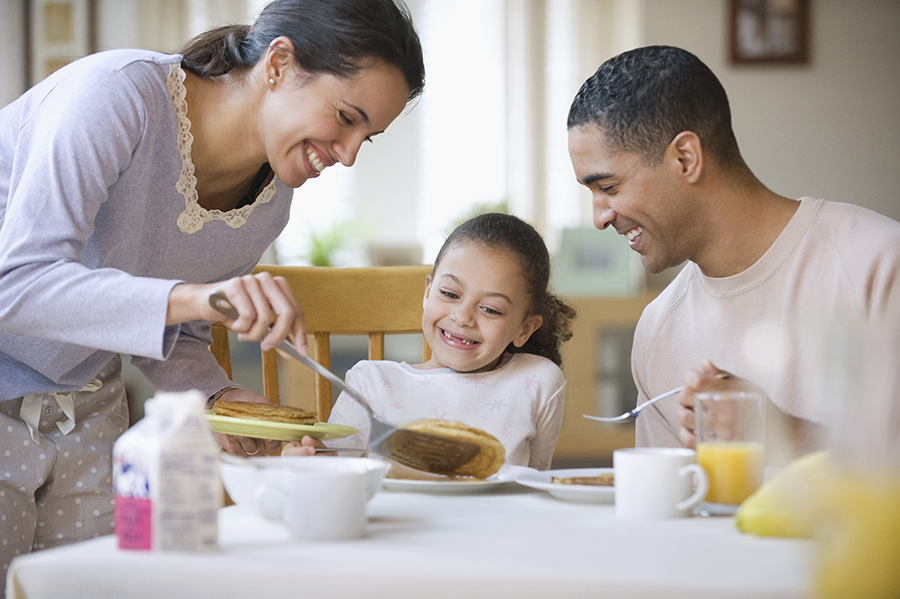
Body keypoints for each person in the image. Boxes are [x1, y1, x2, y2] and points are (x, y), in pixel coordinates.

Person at [0, 0, 424, 584]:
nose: (348, 155)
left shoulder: (270, 202)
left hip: (86, 402)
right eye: (347, 118)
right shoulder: (116, 98)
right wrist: (197, 298)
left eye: (367, 138)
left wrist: (222, 399)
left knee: (98, 586)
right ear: (278, 63)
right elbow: (15, 285)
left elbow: (176, 336)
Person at [566, 45, 900, 458]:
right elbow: (668, 513)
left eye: (609, 187)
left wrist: (788, 435)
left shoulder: (879, 264)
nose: (599, 218)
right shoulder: (657, 331)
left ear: (686, 158)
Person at [283, 213, 576, 470]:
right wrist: (304, 464)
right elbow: (334, 472)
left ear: (525, 328)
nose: (463, 317)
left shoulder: (536, 381)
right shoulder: (370, 384)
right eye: (449, 294)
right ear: (427, 292)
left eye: (491, 309)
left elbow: (535, 482)